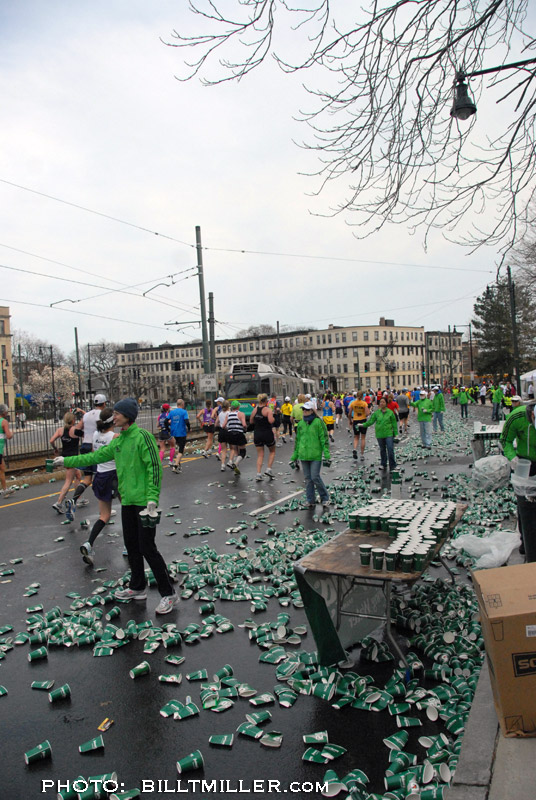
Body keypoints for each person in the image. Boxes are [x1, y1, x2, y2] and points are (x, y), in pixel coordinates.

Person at [55, 397, 178, 615]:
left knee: (147, 548)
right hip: (128, 501)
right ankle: (137, 587)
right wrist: (67, 461)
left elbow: (155, 468)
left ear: (127, 416)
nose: (114, 417)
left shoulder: (144, 437)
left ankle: (168, 594)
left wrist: (152, 498)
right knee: (131, 545)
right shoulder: (119, 441)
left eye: (118, 414)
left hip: (144, 503)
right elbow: (95, 456)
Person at [80, 409, 119, 567]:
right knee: (128, 509)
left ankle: (89, 544)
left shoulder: (96, 435)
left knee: (104, 515)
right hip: (113, 476)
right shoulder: (115, 437)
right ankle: (129, 547)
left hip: (100, 476)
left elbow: (95, 453)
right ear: (112, 422)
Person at [501, 400, 536, 562]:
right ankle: (529, 551)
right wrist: (512, 457)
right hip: (524, 463)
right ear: (532, 415)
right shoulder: (517, 416)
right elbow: (505, 440)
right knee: (526, 508)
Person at [69, 394, 108, 513]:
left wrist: (85, 435)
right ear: (104, 403)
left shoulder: (86, 415)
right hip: (95, 446)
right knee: (100, 476)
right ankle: (104, 509)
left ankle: (74, 500)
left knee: (87, 478)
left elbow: (76, 430)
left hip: (85, 445)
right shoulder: (103, 415)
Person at [290, 400, 330, 507]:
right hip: (304, 455)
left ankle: (325, 497)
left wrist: (326, 454)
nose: (304, 411)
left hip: (315, 455)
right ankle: (310, 500)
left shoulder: (318, 422)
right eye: (303, 409)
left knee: (315, 477)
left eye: (307, 410)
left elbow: (324, 439)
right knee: (308, 479)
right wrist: (295, 456)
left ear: (312, 411)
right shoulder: (301, 424)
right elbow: (298, 441)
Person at [49, 412, 82, 514]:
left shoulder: (60, 430)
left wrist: (55, 449)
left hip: (64, 457)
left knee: (78, 475)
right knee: (68, 481)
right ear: (73, 420)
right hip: (73, 459)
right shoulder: (75, 431)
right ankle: (59, 502)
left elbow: (51, 441)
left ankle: (79, 498)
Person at [361, 396, 398, 470]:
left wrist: (396, 434)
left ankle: (393, 465)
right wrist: (363, 425)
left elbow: (394, 424)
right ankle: (383, 464)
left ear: (386, 403)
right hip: (379, 434)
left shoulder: (390, 412)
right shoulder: (376, 413)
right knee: (382, 449)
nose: (382, 403)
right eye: (381, 402)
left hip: (388, 433)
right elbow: (371, 421)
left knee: (390, 449)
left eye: (383, 402)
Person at [250, 393, 276, 481]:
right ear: (266, 401)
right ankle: (269, 469)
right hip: (267, 433)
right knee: (272, 451)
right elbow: (271, 420)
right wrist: (274, 417)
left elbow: (251, 421)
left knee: (260, 455)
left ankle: (258, 474)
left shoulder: (255, 410)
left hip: (257, 434)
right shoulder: (268, 410)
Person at [223, 400, 247, 475]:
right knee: (243, 452)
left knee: (236, 450)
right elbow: (244, 425)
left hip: (231, 435)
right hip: (239, 434)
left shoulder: (228, 415)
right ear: (238, 407)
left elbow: (223, 426)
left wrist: (229, 429)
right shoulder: (241, 414)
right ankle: (236, 463)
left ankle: (237, 468)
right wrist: (245, 429)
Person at [169, 399, 190, 473]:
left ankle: (178, 463)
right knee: (181, 450)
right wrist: (189, 428)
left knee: (178, 447)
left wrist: (169, 428)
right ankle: (175, 466)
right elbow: (187, 421)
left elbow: (166, 421)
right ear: (182, 404)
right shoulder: (184, 412)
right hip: (182, 433)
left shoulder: (172, 412)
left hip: (174, 433)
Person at [348, 390, 369, 461]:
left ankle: (354, 449)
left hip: (355, 420)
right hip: (363, 421)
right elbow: (367, 413)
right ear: (362, 396)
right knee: (363, 438)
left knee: (356, 437)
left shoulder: (353, 403)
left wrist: (350, 420)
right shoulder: (364, 403)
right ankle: (362, 455)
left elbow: (349, 414)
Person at [0, 404, 14, 496]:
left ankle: (4, 488)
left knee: (2, 467)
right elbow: (8, 436)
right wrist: (12, 433)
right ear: (4, 412)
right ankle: (4, 489)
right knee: (1, 469)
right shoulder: (4, 422)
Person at [215, 400, 230, 471]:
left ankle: (222, 465)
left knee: (224, 450)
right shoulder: (229, 413)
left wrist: (220, 425)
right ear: (228, 406)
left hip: (221, 432)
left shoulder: (220, 414)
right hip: (228, 431)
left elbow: (216, 424)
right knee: (233, 448)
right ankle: (231, 462)